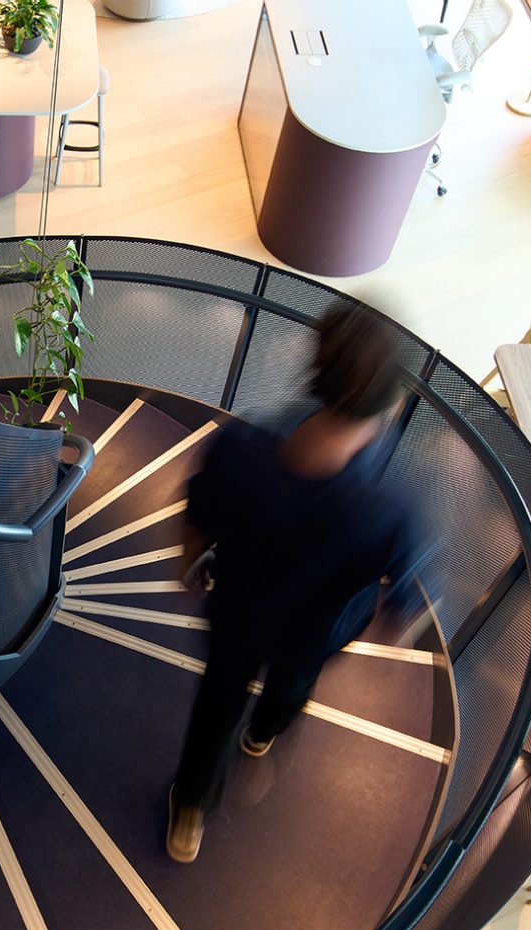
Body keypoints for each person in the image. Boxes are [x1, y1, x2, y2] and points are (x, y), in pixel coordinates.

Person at [166, 303, 426, 864]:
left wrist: (191, 563)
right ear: (388, 407)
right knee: (291, 690)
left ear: (316, 371)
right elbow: (394, 599)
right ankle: (262, 733)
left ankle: (189, 807)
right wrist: (389, 622)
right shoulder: (387, 512)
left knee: (215, 706)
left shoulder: (240, 450)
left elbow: (197, 517)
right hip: (314, 634)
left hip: (237, 616)